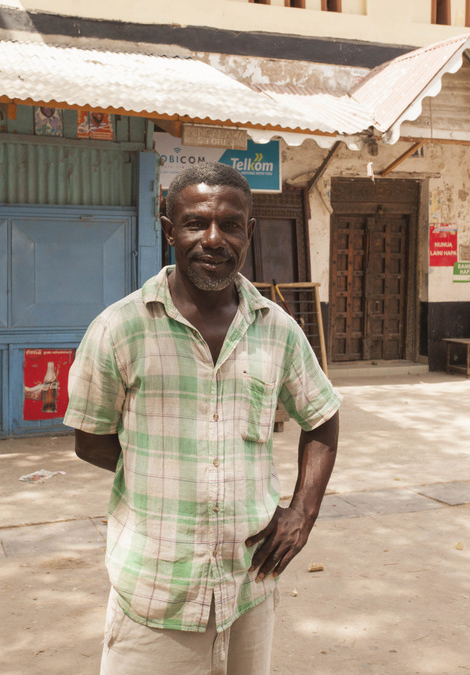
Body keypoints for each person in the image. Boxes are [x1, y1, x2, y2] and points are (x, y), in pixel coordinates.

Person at [64, 162, 341, 675]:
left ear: (249, 233)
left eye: (231, 224)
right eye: (196, 223)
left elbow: (322, 417)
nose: (214, 239)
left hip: (248, 591)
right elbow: (91, 440)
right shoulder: (119, 329)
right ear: (170, 230)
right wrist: (160, 471)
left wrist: (302, 512)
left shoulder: (277, 329)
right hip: (154, 593)